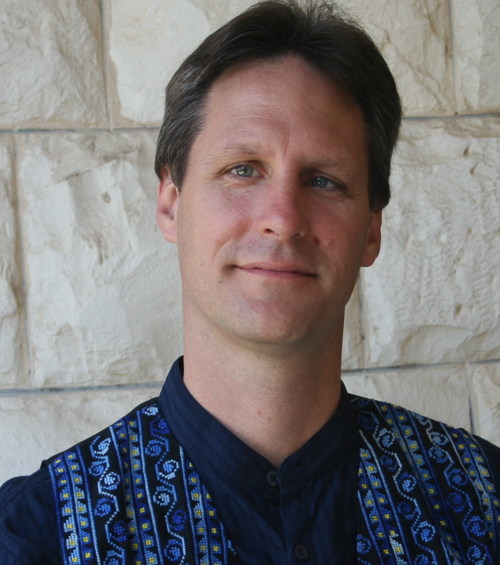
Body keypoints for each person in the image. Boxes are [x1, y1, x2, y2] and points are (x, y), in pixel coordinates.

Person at [1, 1, 499, 563]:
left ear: (371, 230)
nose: (283, 218)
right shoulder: (36, 536)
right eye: (242, 169)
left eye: (324, 180)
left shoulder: (485, 502)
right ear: (170, 202)